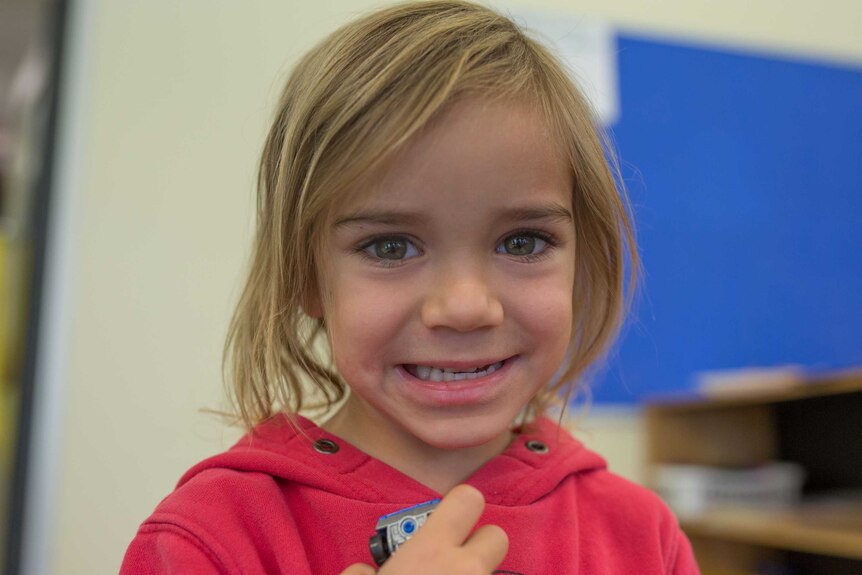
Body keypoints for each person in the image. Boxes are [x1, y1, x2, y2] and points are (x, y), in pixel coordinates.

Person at [120, 1, 700, 574]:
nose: (467, 307)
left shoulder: (645, 538)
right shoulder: (210, 541)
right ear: (305, 274)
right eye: (390, 247)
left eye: (522, 242)